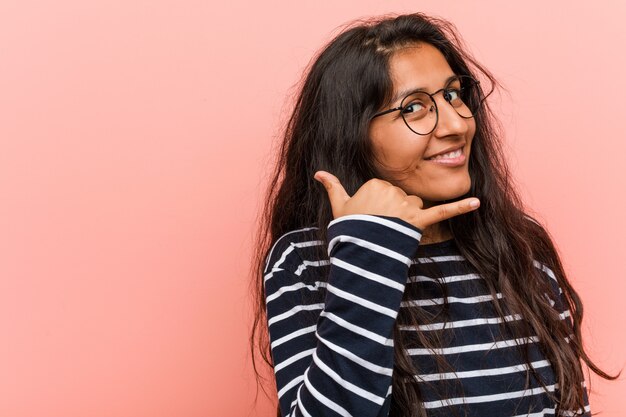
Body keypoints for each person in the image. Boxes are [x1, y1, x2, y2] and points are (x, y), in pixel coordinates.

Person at [250, 12, 620, 417]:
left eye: (452, 95)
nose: (456, 123)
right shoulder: (307, 261)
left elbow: (570, 407)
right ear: (353, 135)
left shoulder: (522, 247)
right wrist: (369, 248)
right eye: (414, 107)